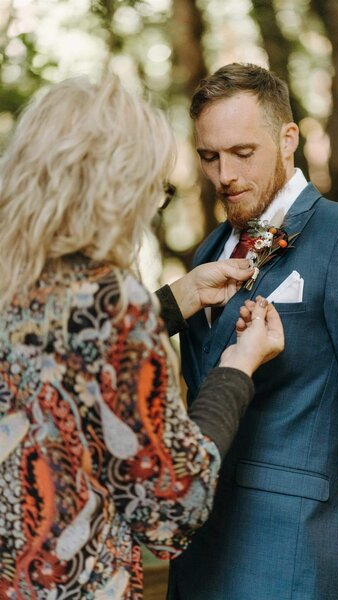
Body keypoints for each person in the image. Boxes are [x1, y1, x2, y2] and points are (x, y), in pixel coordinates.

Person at [0, 74, 285, 600]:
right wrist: (237, 369)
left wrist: (178, 299)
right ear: (119, 186)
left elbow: (67, 357)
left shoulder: (15, 283)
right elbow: (171, 506)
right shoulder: (112, 302)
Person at [167, 62, 338, 600]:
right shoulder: (209, 253)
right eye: (209, 156)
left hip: (288, 559)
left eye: (243, 153)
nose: (225, 173)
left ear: (288, 138)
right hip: (195, 556)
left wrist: (332, 533)